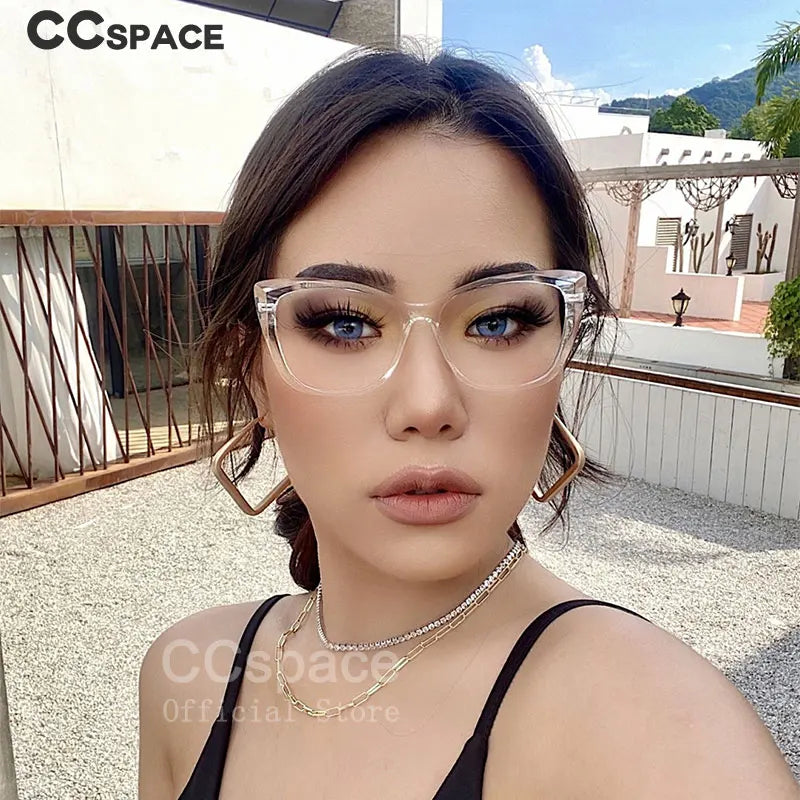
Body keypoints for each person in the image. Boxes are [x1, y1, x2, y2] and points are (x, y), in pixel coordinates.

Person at [138, 42, 800, 799]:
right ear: (252, 368)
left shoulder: (661, 736)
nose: (429, 405)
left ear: (565, 346)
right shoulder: (188, 678)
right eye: (346, 323)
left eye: (497, 321)